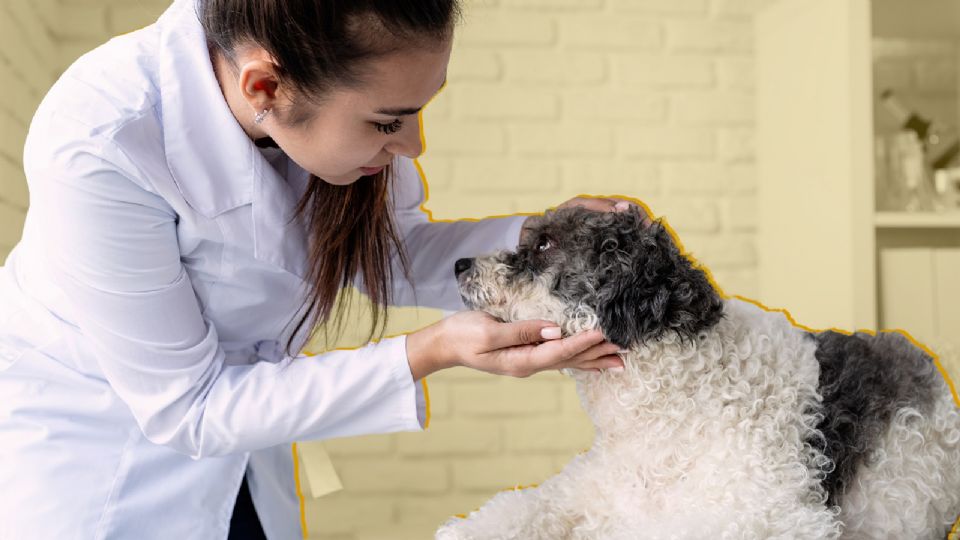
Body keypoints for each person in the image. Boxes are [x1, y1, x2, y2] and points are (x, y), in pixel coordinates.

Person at [0, 0, 632, 538]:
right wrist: (432, 350)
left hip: (245, 448)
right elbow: (189, 408)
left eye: (417, 108)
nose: (413, 145)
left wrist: (543, 241)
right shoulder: (104, 140)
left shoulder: (315, 106)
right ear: (266, 88)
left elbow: (387, 254)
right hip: (108, 463)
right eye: (387, 121)